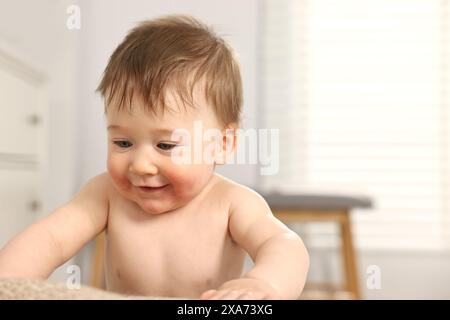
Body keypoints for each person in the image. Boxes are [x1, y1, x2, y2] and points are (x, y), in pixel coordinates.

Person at [0, 15, 309, 300]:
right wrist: (9, 279)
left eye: (165, 146)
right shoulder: (106, 193)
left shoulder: (232, 203)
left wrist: (264, 283)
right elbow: (51, 238)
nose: (141, 165)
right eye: (122, 142)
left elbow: (282, 244)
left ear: (222, 144)